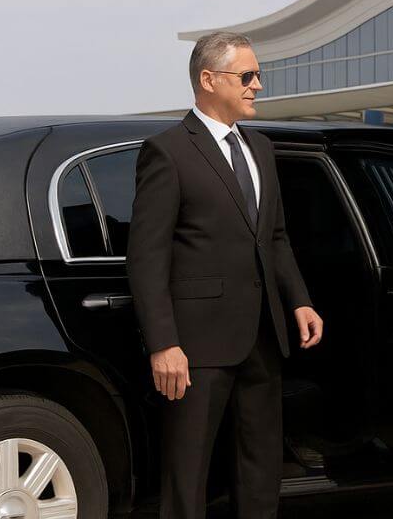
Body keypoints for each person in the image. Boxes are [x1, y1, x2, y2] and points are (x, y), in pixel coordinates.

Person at [127, 30, 324, 519]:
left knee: (260, 473)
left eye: (258, 75)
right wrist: (162, 343)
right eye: (248, 75)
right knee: (187, 476)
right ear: (209, 79)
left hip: (264, 337)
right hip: (195, 347)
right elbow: (146, 257)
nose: (258, 84)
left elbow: (274, 237)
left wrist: (298, 299)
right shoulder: (167, 151)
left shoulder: (261, 150)